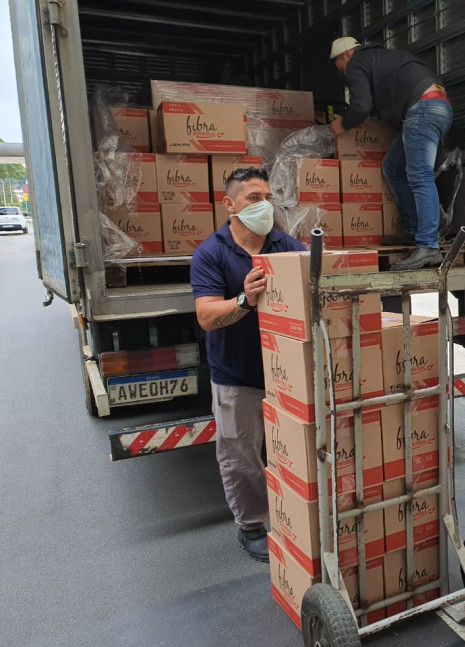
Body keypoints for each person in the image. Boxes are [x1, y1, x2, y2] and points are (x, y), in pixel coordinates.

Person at [190, 167, 305, 561]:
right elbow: (206, 315)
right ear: (230, 204)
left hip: (286, 374)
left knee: (292, 450)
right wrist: (244, 300)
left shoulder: (285, 245)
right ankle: (252, 524)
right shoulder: (212, 252)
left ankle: (296, 517)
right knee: (241, 455)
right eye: (254, 198)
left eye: (269, 198)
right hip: (236, 374)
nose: (265, 205)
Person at [328, 36, 453, 270]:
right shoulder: (380, 58)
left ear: (346, 55)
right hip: (437, 106)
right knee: (392, 167)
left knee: (420, 176)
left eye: (341, 68)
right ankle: (412, 230)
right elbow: (375, 102)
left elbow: (361, 104)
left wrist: (343, 124)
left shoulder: (357, 62)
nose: (344, 75)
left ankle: (428, 246)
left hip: (422, 109)